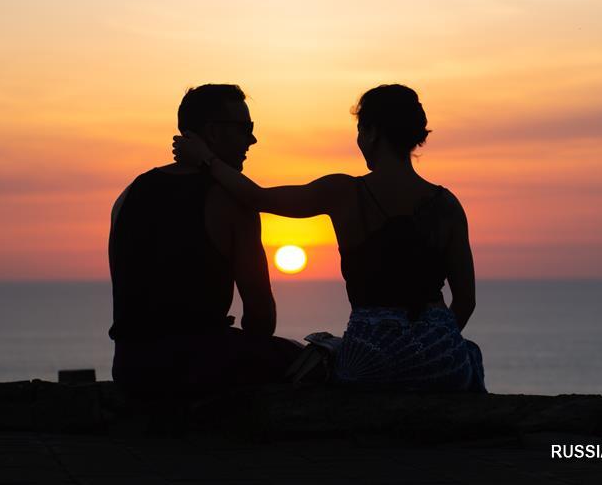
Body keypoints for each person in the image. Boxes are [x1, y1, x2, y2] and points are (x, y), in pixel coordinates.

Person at [173, 84, 486, 392]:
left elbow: (257, 198)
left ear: (373, 132)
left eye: (361, 131)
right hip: (440, 358)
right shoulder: (447, 205)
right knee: (470, 354)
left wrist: (207, 160)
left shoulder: (343, 192)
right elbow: (465, 301)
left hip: (367, 361)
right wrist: (428, 345)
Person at [109, 84, 301, 397]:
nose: (252, 139)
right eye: (245, 128)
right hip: (200, 367)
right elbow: (260, 316)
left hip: (132, 368)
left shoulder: (128, 195)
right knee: (312, 359)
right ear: (212, 133)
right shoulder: (233, 203)